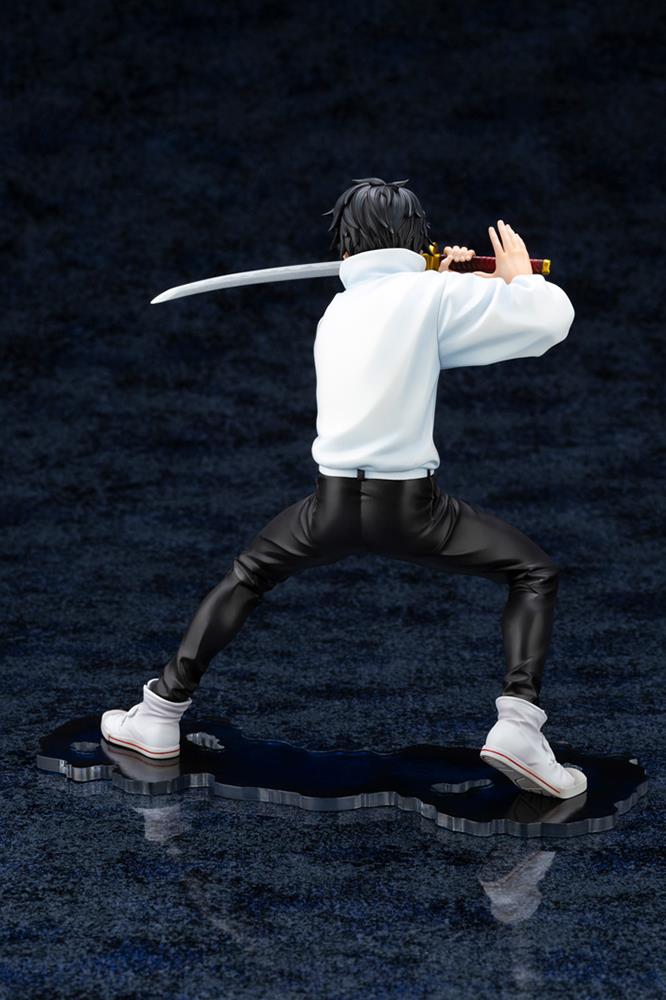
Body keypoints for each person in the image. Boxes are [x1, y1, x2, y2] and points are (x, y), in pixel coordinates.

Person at [101, 177, 586, 801]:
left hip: (328, 506)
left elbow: (427, 338)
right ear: (417, 238)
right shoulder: (432, 296)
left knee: (248, 575)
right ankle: (519, 727)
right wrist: (516, 281)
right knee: (534, 573)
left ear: (348, 246)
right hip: (410, 510)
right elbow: (546, 324)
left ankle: (159, 713)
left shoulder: (341, 309)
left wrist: (464, 284)